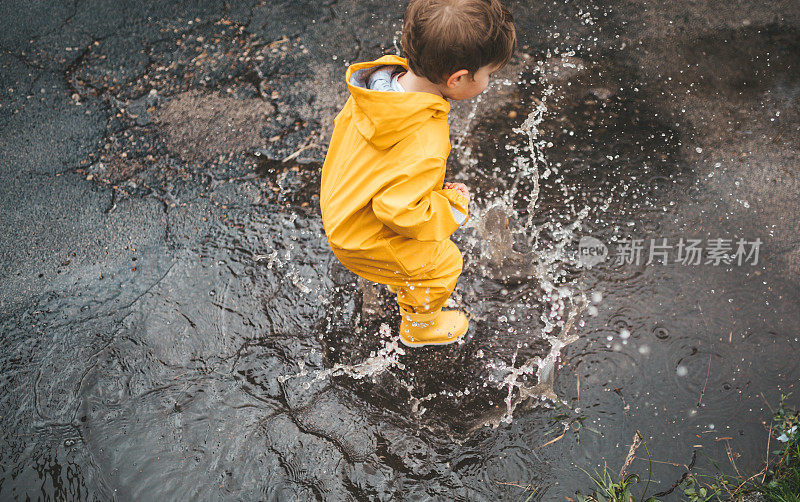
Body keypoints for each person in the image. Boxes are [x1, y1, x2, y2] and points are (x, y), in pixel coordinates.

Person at [320, 0, 516, 346]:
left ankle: (385, 275)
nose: (489, 81)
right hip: (358, 235)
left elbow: (386, 163)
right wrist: (452, 205)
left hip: (343, 199)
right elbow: (399, 211)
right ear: (457, 79)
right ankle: (419, 327)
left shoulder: (379, 87)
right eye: (489, 74)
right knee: (442, 262)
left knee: (412, 250)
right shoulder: (424, 140)